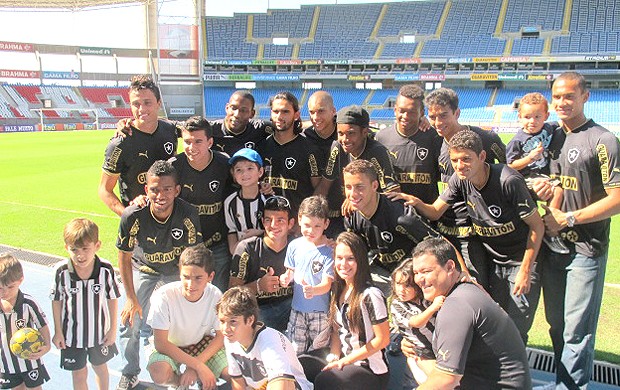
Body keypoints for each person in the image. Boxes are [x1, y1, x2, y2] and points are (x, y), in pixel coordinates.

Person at [402, 129, 544, 342]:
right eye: (455, 160)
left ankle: (516, 374)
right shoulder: (460, 180)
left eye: (466, 159)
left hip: (520, 261)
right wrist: (413, 201)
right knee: (493, 322)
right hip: (493, 262)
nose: (460, 166)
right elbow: (435, 210)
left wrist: (525, 270)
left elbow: (537, 226)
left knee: (516, 328)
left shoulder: (508, 180)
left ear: (482, 157)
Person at [533, 71, 620, 389]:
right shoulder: (551, 136)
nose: (562, 102)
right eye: (557, 97)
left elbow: (618, 199)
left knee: (576, 331)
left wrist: (569, 219)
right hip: (553, 249)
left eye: (569, 96)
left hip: (586, 249)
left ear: (585, 96)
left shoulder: (603, 140)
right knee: (557, 326)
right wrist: (540, 187)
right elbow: (548, 180)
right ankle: (561, 384)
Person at [115, 160, 202, 390]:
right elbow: (123, 257)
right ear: (146, 190)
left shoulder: (188, 214)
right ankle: (130, 372)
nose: (160, 195)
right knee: (130, 321)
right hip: (143, 269)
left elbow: (192, 257)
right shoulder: (132, 215)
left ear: (177, 190)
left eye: (166, 189)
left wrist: (187, 291)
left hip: (176, 271)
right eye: (154, 189)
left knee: (183, 319)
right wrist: (131, 299)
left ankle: (183, 369)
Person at [409, 238, 531, 389]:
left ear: (449, 267)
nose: (420, 279)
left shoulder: (456, 305)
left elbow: (446, 379)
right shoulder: (465, 291)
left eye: (426, 271)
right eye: (416, 273)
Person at [424, 87, 507, 289]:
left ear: (457, 113)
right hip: (445, 230)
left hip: (475, 233)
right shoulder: (435, 142)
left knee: (477, 287)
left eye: (444, 115)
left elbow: (509, 168)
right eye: (432, 116)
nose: (438, 122)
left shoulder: (485, 139)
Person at [342, 159, 443, 294]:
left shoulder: (402, 216)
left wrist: (463, 273)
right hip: (380, 270)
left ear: (374, 185)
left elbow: (439, 244)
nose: (352, 194)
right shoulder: (351, 216)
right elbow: (355, 253)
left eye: (360, 187)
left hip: (411, 273)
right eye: (348, 187)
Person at [313, 232, 390, 390]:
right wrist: (334, 356)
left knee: (325, 381)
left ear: (360, 260)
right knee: (303, 365)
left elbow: (382, 340)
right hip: (345, 359)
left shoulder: (370, 295)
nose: (344, 264)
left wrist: (344, 362)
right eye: (339, 258)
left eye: (350, 258)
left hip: (370, 369)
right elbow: (336, 330)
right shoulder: (338, 291)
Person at [146, 244, 229, 390]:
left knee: (234, 374)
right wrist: (197, 366)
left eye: (198, 278)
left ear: (210, 276)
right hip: (171, 345)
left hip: (201, 342)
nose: (191, 284)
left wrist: (194, 366)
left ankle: (201, 381)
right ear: (179, 273)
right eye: (186, 277)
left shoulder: (216, 295)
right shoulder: (164, 297)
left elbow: (220, 336)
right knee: (159, 372)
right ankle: (180, 384)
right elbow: (161, 343)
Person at [51, 219, 120, 390]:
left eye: (85, 249)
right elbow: (57, 301)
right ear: (66, 248)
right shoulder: (61, 272)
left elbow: (112, 298)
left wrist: (112, 329)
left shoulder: (105, 269)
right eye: (74, 250)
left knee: (101, 369)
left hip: (99, 334)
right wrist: (58, 331)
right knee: (79, 373)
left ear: (97, 245)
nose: (80, 255)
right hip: (71, 336)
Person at [99, 75, 178, 216]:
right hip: (139, 220)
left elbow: (199, 131)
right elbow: (104, 190)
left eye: (147, 103)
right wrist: (128, 216)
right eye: (136, 104)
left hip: (170, 219)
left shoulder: (170, 129)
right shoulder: (120, 143)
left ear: (158, 103)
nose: (141, 109)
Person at [169, 116, 232, 292]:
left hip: (217, 243)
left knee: (218, 294)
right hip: (184, 246)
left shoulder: (223, 163)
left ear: (210, 142)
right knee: (187, 293)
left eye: (198, 141)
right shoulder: (174, 166)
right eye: (187, 141)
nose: (192, 147)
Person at [319, 105, 400, 236]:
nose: (345, 139)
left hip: (375, 219)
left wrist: (357, 200)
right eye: (340, 134)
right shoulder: (337, 147)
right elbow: (324, 185)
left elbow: (394, 194)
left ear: (364, 132)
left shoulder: (377, 152)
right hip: (345, 218)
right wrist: (311, 212)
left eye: (351, 133)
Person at [506, 92, 569, 254]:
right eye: (527, 117)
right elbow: (511, 165)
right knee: (557, 191)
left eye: (537, 117)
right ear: (519, 116)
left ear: (546, 116)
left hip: (544, 176)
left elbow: (564, 124)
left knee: (558, 191)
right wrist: (530, 158)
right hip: (526, 179)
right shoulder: (517, 140)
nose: (532, 121)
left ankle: (548, 226)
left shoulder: (550, 128)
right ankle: (550, 231)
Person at [217, 286, 313, 390]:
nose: (226, 329)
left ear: (250, 320)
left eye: (233, 322)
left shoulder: (270, 340)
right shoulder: (230, 340)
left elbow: (282, 385)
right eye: (222, 321)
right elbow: (238, 382)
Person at [228, 195, 295, 333]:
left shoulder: (299, 246)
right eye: (268, 220)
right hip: (258, 310)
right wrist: (258, 286)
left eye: (280, 220)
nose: (273, 225)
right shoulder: (247, 248)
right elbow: (232, 292)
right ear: (262, 222)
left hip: (292, 309)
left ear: (291, 223)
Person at [279, 195, 334, 355]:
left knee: (318, 349)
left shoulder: (330, 251)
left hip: (320, 312)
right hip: (297, 308)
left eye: (317, 226)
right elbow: (290, 272)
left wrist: (313, 290)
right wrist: (285, 278)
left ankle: (317, 377)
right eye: (307, 225)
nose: (311, 230)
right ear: (299, 220)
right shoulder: (294, 246)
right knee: (295, 349)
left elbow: (327, 284)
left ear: (326, 224)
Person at [375, 84, 442, 204]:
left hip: (427, 214)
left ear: (421, 112)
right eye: (402, 111)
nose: (405, 116)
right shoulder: (381, 138)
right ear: (395, 109)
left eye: (411, 112)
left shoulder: (434, 137)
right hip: (393, 215)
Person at [257, 91, 321, 215]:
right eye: (275, 111)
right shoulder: (261, 147)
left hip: (298, 223)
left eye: (285, 112)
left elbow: (318, 190)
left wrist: (305, 218)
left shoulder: (309, 149)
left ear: (296, 115)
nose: (279, 116)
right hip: (269, 223)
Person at [0, 253, 51, 390]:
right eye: (0, 288)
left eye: (10, 287)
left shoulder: (28, 304)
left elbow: (42, 325)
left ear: (20, 280)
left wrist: (47, 346)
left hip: (31, 360)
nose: (4, 292)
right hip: (7, 363)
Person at [389, 259, 443, 385]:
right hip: (421, 350)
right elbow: (416, 322)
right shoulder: (397, 305)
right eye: (398, 284)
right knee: (438, 380)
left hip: (438, 344)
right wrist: (433, 307)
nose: (401, 290)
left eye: (407, 285)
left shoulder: (425, 299)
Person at [302, 91, 341, 238]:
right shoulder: (306, 137)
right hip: (316, 216)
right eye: (312, 112)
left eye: (321, 111)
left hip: (345, 213)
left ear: (333, 111)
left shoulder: (345, 133)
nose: (316, 117)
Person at [224, 148, 268, 255]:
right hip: (241, 252)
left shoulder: (268, 200)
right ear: (233, 174)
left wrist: (260, 233)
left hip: (266, 251)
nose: (245, 173)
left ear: (260, 171)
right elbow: (232, 230)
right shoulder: (230, 202)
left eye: (250, 168)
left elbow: (277, 229)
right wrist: (234, 249)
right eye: (239, 170)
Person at [210, 90, 273, 156]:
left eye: (243, 110)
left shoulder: (261, 129)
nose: (237, 114)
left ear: (252, 113)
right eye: (233, 108)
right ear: (227, 108)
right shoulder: (210, 130)